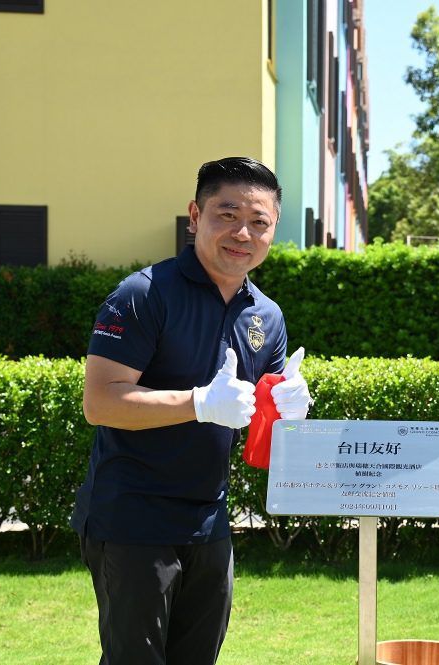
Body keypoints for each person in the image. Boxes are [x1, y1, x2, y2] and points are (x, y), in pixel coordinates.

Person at [70, 156, 312, 665]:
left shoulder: (266, 315)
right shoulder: (143, 294)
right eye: (227, 215)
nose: (242, 233)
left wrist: (289, 411)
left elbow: (258, 424)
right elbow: (101, 401)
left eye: (259, 222)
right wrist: (199, 403)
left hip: (209, 519)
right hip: (132, 517)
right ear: (195, 216)